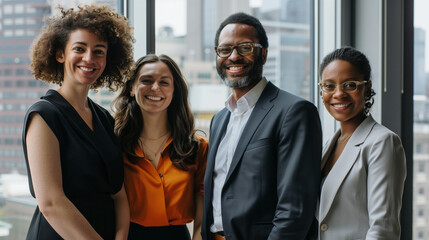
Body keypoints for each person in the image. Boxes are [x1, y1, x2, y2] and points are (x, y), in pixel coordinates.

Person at [201, 12, 322, 240]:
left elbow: (294, 210)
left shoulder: (294, 112)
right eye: (225, 49)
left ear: (263, 54)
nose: (233, 57)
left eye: (245, 48)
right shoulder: (219, 119)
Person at [22, 4, 134, 239]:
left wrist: (121, 236)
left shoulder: (104, 119)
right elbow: (51, 203)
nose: (89, 58)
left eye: (99, 51)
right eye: (79, 48)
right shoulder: (44, 115)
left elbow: (119, 194)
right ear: (60, 54)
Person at [113, 54, 208, 240]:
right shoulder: (115, 145)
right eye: (146, 81)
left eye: (164, 83)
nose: (155, 88)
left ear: (174, 91)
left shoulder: (197, 148)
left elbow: (203, 220)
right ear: (132, 88)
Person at [317, 47, 407, 239]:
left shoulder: (383, 142)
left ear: (366, 88)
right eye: (329, 86)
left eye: (350, 85)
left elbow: (383, 230)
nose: (339, 94)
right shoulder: (329, 145)